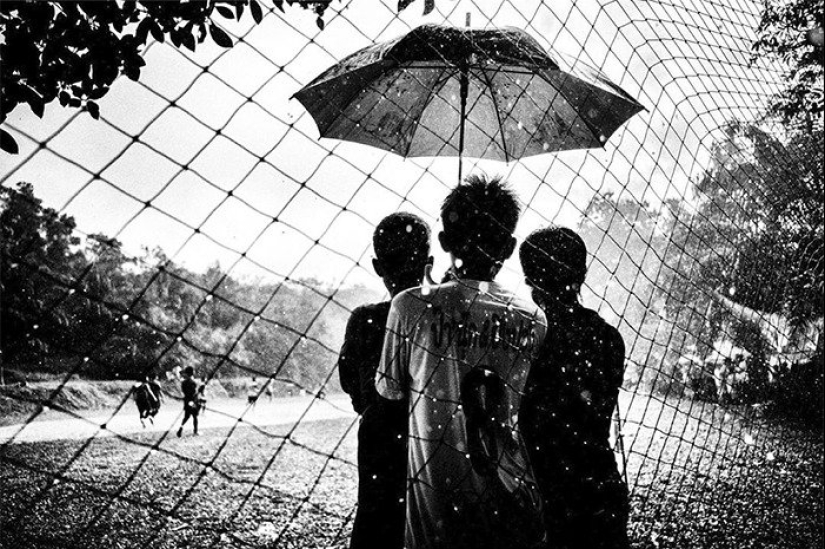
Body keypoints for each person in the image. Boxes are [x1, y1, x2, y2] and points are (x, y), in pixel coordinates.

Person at [376, 175, 547, 549]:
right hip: (513, 498)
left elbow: (389, 390)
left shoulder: (409, 306)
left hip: (438, 506)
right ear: (510, 246)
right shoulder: (533, 316)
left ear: (443, 241)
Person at [518, 226, 630, 549]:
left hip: (541, 488)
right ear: (581, 273)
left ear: (531, 283)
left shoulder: (524, 337)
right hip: (596, 484)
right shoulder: (608, 338)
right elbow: (597, 411)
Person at [338, 212, 432, 549]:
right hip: (433, 440)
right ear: (429, 262)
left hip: (381, 442)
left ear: (378, 267)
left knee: (377, 526)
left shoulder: (366, 320)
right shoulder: (441, 315)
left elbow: (349, 380)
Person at [177, 366, 201, 437]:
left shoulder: (183, 383)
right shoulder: (193, 382)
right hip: (193, 402)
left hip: (186, 401)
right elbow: (194, 393)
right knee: (195, 416)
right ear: (192, 373)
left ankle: (180, 429)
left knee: (186, 417)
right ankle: (195, 432)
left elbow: (184, 392)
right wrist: (199, 391)